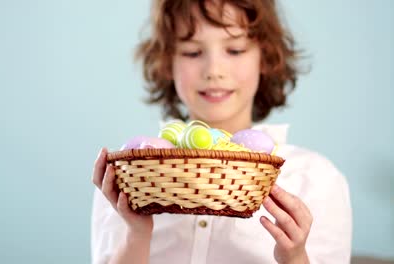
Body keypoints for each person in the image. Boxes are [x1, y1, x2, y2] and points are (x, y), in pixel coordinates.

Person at [91, 0, 352, 263]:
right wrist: (136, 235)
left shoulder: (316, 179)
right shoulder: (129, 179)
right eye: (192, 52)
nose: (214, 71)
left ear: (265, 56)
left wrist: (294, 256)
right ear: (167, 62)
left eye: (235, 50)